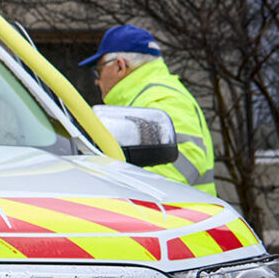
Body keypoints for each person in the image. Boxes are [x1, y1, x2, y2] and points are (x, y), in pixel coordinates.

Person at [81, 24, 217, 194]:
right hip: (174, 214)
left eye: (98, 71)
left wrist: (125, 188)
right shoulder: (147, 96)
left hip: (177, 215)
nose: (96, 81)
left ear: (119, 66)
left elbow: (187, 159)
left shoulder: (160, 98)